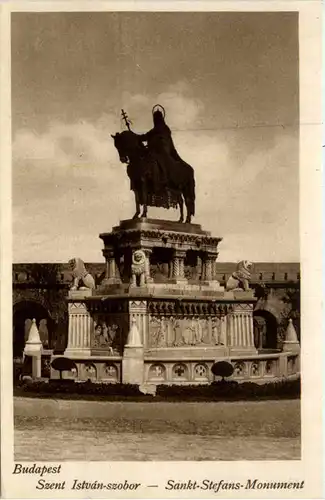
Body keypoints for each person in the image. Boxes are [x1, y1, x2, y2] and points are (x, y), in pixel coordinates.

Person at [139, 106, 183, 187]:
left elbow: (148, 135)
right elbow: (145, 137)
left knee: (157, 158)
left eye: (158, 118)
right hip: (154, 151)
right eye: (155, 118)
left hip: (163, 150)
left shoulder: (164, 128)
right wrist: (135, 137)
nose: (156, 120)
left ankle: (163, 176)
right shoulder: (154, 130)